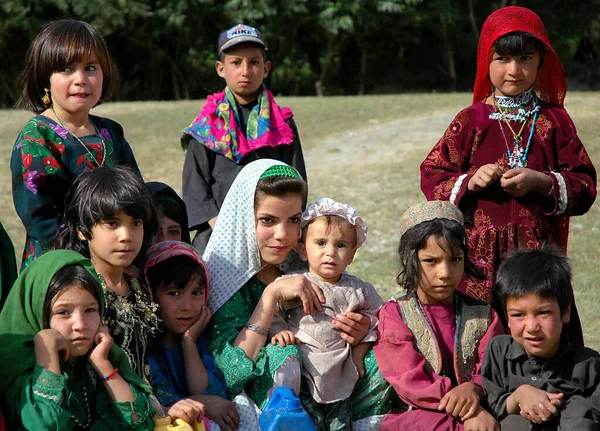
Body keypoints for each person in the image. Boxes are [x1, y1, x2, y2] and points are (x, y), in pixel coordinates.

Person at [419, 6, 596, 343]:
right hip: (477, 265)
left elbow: (585, 185)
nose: (514, 70)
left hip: (538, 257)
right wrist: (471, 179)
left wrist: (541, 181)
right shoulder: (472, 120)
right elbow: (432, 174)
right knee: (481, 339)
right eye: (502, 59)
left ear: (541, 61)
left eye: (525, 58)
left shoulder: (554, 121)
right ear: (486, 61)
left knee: (538, 331)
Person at [204, 159, 397, 430]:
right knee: (283, 354)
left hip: (335, 378)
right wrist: (269, 297)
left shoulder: (306, 266)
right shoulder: (225, 279)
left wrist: (361, 329)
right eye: (267, 221)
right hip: (270, 397)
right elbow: (231, 375)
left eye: (294, 220)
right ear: (244, 219)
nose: (283, 235)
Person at [11, 19, 141, 270]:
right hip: (62, 270)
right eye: (65, 69)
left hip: (119, 263)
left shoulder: (111, 132)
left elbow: (136, 199)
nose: (80, 79)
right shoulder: (37, 138)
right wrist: (92, 263)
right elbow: (43, 220)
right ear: (45, 78)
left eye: (91, 68)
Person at [373, 200, 504, 430]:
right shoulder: (395, 314)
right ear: (408, 260)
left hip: (479, 405)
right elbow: (408, 377)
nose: (444, 273)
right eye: (430, 261)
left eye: (455, 260)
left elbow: (493, 368)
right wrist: (462, 403)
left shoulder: (484, 315)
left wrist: (474, 389)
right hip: (420, 413)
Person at [181, 23, 307, 254]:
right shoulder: (207, 124)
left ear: (266, 68)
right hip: (218, 233)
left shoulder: (282, 123)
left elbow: (296, 179)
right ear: (220, 68)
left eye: (254, 62)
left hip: (272, 234)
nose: (246, 71)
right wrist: (218, 224)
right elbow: (195, 185)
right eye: (236, 63)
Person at [0, 250, 155, 430]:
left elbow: (141, 422)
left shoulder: (99, 359)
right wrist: (47, 352)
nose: (80, 325)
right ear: (38, 312)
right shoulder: (18, 368)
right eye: (63, 312)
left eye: (90, 310)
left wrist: (102, 364)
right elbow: (44, 425)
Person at [268, 197, 384, 430]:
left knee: (339, 424)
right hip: (303, 373)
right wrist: (279, 330)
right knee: (307, 424)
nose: (330, 252)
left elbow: (379, 319)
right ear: (302, 250)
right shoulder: (293, 284)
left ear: (352, 255)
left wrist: (359, 354)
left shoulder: (360, 290)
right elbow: (272, 311)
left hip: (341, 373)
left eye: (340, 245)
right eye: (320, 243)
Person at [54, 166, 160, 385]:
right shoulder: (79, 293)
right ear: (82, 230)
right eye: (112, 223)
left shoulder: (138, 284)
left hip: (145, 407)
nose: (126, 236)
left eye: (135, 223)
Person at [482, 246, 600, 430]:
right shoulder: (499, 353)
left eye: (543, 313)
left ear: (566, 312)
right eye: (518, 315)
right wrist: (518, 397)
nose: (531, 327)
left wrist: (575, 409)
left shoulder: (589, 366)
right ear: (507, 317)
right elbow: (490, 406)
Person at [145, 241, 242, 430]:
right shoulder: (147, 345)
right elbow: (162, 401)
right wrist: (202, 401)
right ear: (151, 295)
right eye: (174, 293)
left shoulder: (205, 338)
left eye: (197, 293)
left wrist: (189, 341)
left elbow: (209, 392)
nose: (187, 306)